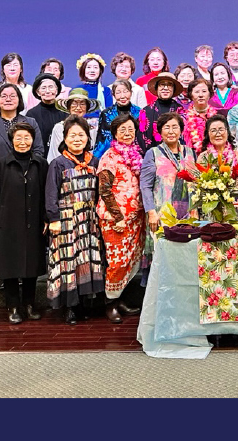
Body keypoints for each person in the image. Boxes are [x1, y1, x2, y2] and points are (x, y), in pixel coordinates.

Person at [0, 121, 48, 324]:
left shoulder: (40, 164)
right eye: (18, 138)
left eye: (27, 138)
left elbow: (46, 194)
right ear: (11, 140)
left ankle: (29, 305)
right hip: (8, 223)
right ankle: (12, 306)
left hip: (34, 222)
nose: (22, 142)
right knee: (9, 266)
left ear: (33, 140)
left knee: (31, 265)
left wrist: (46, 217)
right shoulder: (0, 164)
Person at [45, 115, 105, 325]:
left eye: (81, 135)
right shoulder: (58, 163)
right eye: (72, 135)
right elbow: (51, 193)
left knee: (87, 259)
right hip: (66, 221)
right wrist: (53, 218)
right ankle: (70, 307)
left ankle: (85, 304)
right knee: (68, 261)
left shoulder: (95, 162)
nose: (77, 139)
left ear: (88, 138)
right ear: (65, 138)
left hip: (89, 220)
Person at [96, 113, 144, 324]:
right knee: (117, 262)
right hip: (115, 219)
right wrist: (117, 217)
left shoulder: (137, 153)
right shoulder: (109, 157)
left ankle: (121, 299)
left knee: (131, 261)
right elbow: (104, 190)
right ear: (114, 133)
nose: (127, 133)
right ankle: (110, 303)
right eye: (122, 130)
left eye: (130, 129)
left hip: (136, 218)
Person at [141, 112, 197, 235]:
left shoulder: (191, 153)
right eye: (167, 127)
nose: (171, 131)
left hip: (190, 214)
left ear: (181, 131)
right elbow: (145, 186)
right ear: (160, 132)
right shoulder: (153, 153)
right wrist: (151, 212)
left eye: (175, 127)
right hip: (162, 214)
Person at [0, 83, 45, 160]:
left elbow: (38, 150)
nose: (8, 99)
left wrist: (27, 165)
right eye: (4, 96)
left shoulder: (31, 122)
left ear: (19, 99)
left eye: (12, 96)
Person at [93, 79, 142, 158]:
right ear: (113, 95)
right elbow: (102, 140)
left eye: (126, 91)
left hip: (135, 155)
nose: (122, 96)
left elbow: (142, 138)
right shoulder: (106, 114)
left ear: (131, 92)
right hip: (113, 155)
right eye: (118, 92)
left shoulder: (139, 112)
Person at [47, 88, 100, 162]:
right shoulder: (60, 127)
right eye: (74, 103)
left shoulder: (92, 129)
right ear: (68, 106)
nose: (78, 107)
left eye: (82, 104)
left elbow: (92, 151)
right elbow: (56, 153)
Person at [137, 72, 183, 153]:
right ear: (157, 88)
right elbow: (140, 139)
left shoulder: (181, 111)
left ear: (173, 89)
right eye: (162, 84)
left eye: (169, 85)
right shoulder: (146, 111)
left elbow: (185, 137)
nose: (165, 88)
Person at [26, 73, 67, 156]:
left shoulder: (65, 112)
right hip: (40, 157)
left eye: (51, 87)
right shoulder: (31, 114)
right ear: (38, 92)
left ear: (56, 90)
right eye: (43, 88)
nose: (48, 91)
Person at [180, 78, 218, 152]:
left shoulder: (217, 118)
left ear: (209, 94)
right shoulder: (183, 119)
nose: (200, 95)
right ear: (191, 95)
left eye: (204, 91)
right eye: (197, 92)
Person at [73, 53, 113, 120]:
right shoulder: (76, 90)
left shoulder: (106, 90)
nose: (92, 70)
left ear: (100, 70)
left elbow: (109, 112)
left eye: (95, 67)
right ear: (83, 70)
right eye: (88, 67)